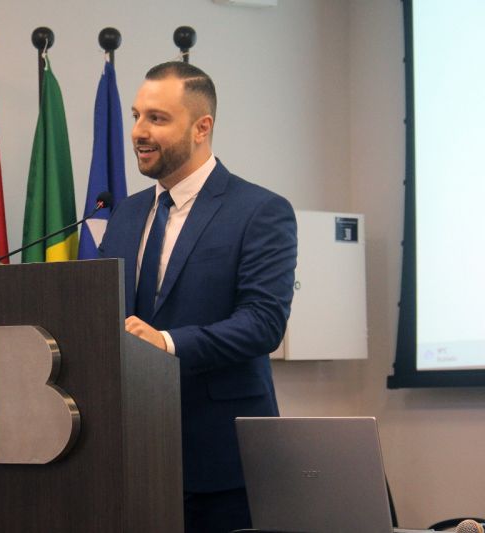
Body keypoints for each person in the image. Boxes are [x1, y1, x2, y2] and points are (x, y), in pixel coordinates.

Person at [99, 62, 297, 533]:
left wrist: (166, 343)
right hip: (130, 457)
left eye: (157, 118)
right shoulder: (125, 214)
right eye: (136, 115)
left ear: (201, 127)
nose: (139, 132)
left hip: (223, 460)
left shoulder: (259, 211)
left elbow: (263, 323)